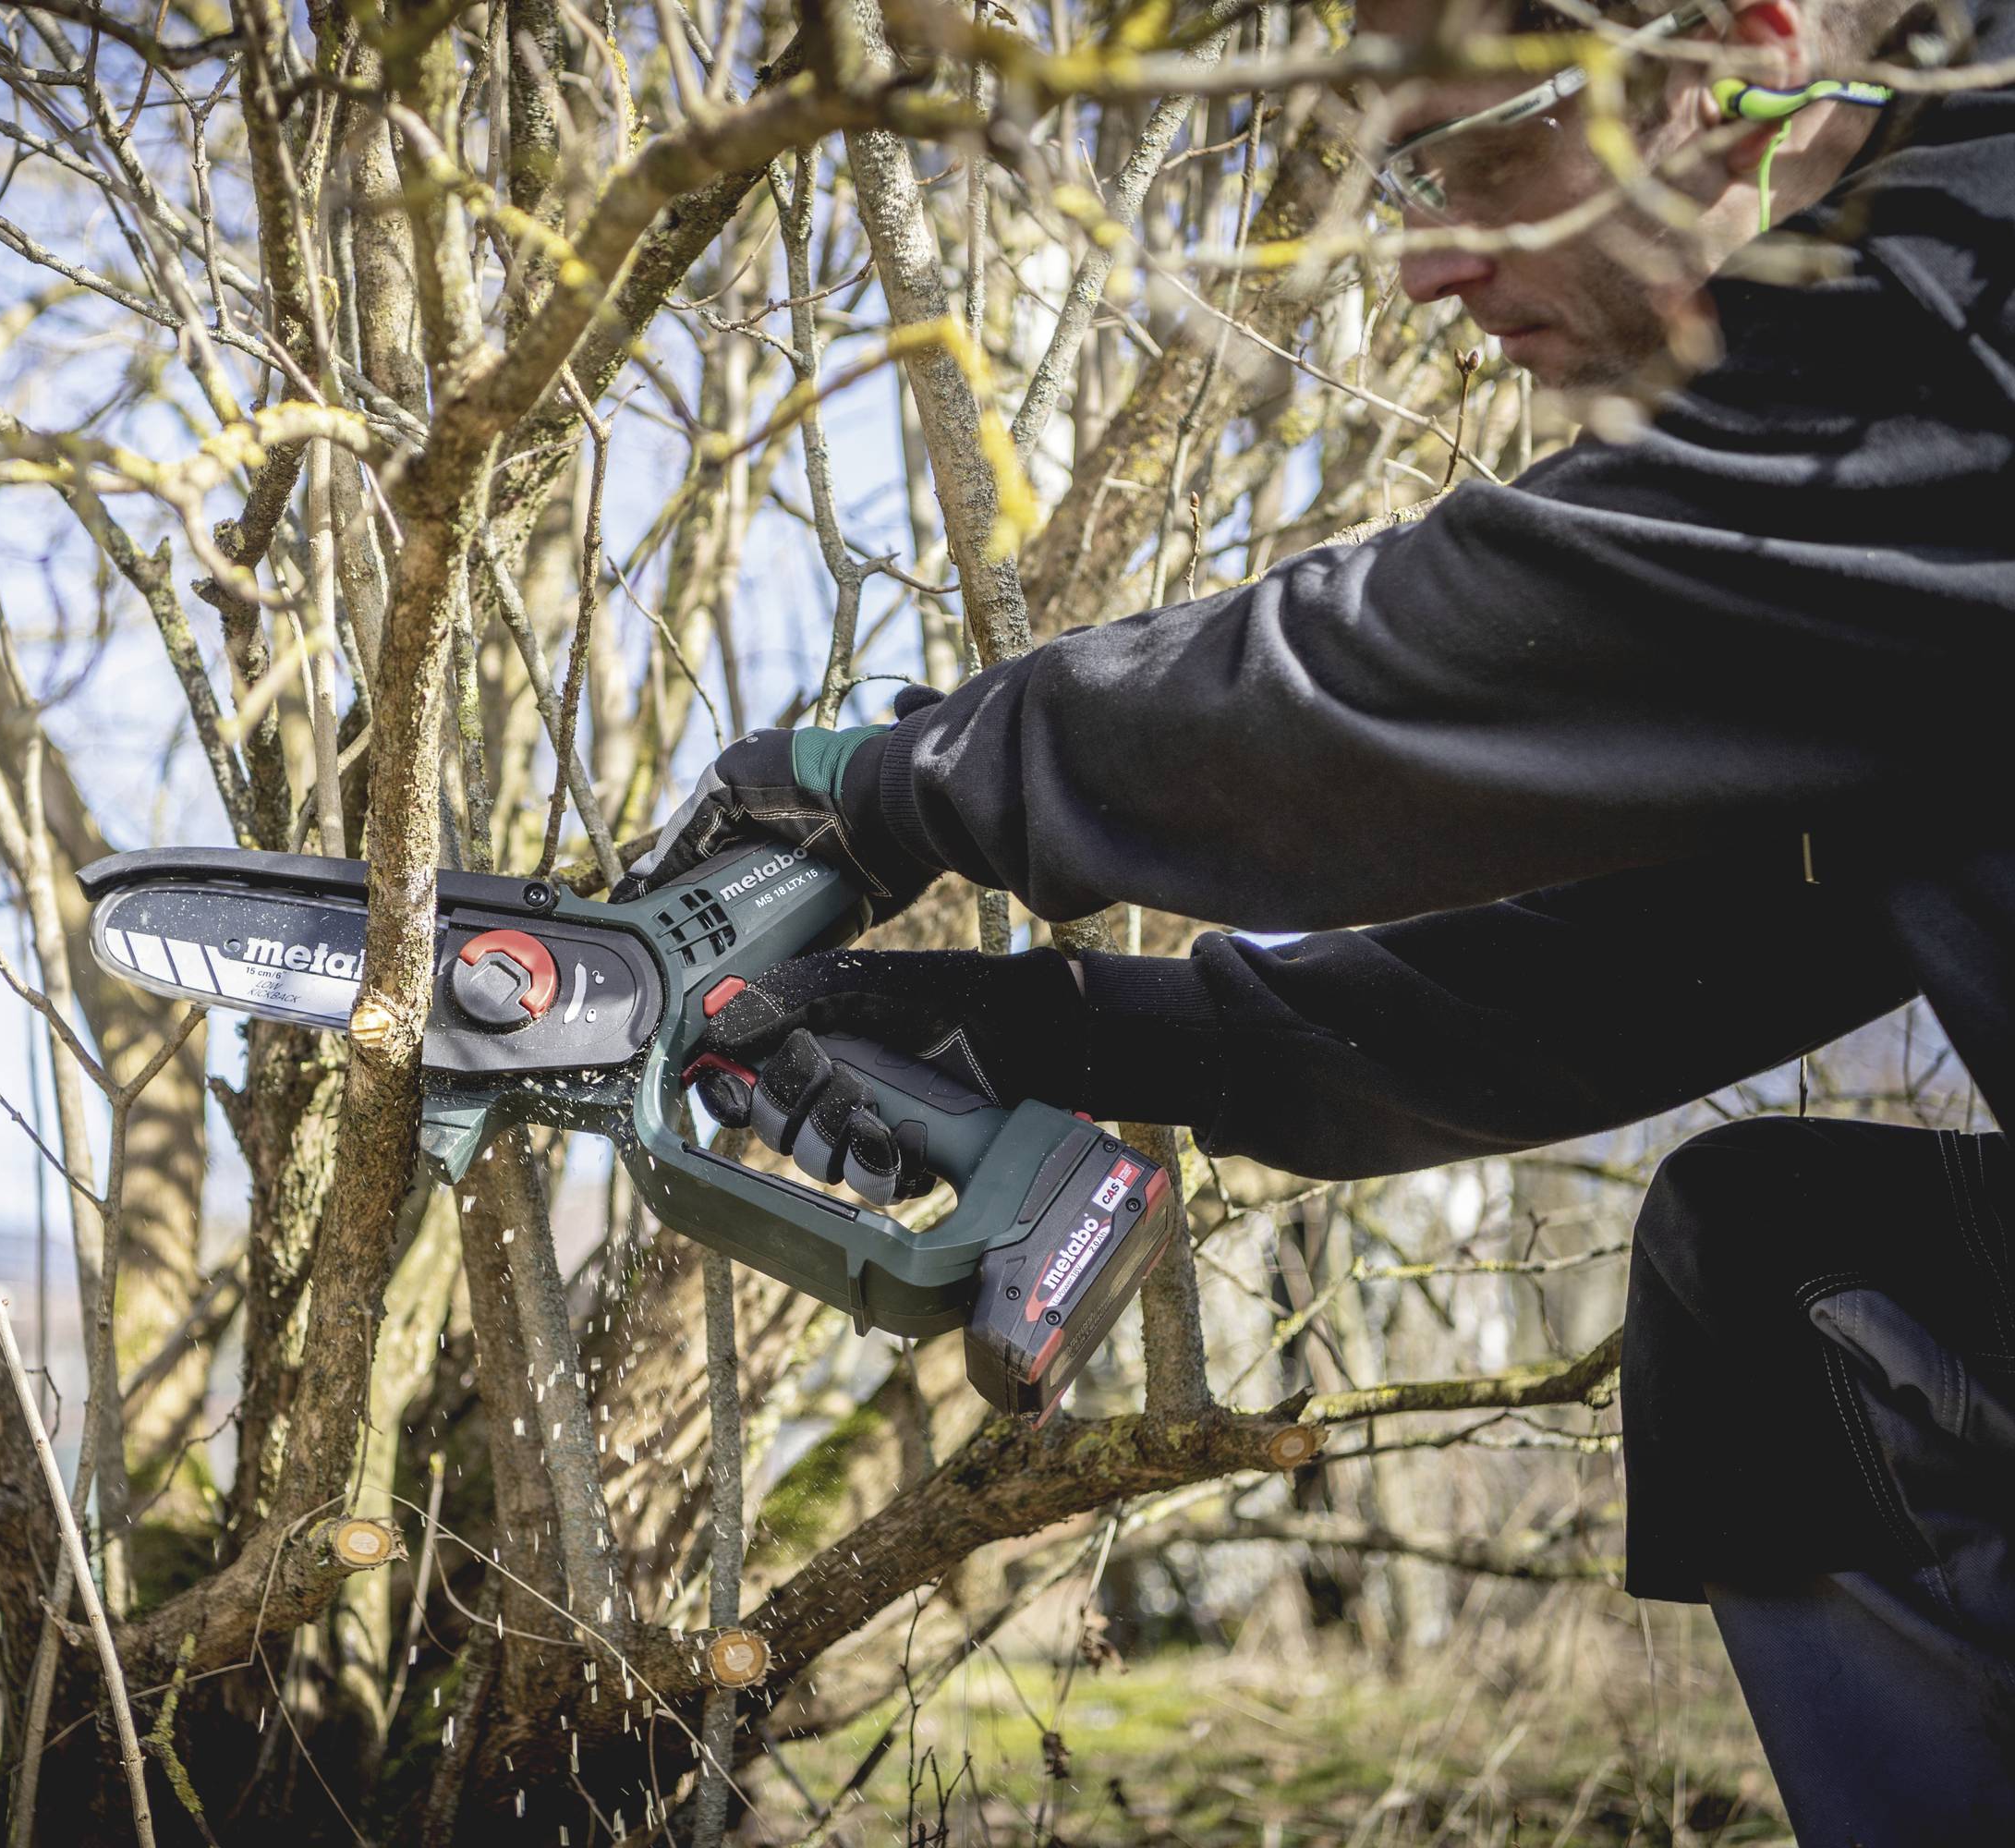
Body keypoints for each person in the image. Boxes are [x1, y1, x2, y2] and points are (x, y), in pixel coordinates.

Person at [615, 0, 2015, 1837]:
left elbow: (1431, 660)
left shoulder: (1964, 297)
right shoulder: (1893, 507)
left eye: (1483, 156)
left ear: (1738, 50)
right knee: (1778, 1274)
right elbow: (1648, 968)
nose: (1428, 265)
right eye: (1405, 189)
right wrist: (1057, 1029)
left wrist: (899, 783)